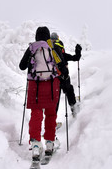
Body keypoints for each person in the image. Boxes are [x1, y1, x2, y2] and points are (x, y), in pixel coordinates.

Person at [19, 26, 67, 162]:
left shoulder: (32, 48)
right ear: (47, 36)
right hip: (52, 86)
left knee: (36, 113)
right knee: (51, 114)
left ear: (36, 36)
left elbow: (22, 66)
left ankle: (35, 144)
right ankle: (50, 143)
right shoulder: (52, 48)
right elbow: (62, 67)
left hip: (35, 87)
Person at [50, 32, 82, 117]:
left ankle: (52, 122)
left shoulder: (48, 50)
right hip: (63, 76)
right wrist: (78, 51)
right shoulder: (59, 50)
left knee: (55, 99)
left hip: (51, 78)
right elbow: (76, 58)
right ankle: (74, 110)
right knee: (69, 90)